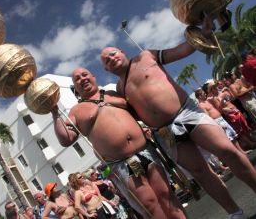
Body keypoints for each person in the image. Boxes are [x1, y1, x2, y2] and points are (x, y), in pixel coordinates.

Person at [100, 45, 256, 219]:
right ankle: (235, 213)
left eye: (113, 54)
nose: (111, 58)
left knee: (228, 152)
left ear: (122, 51)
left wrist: (199, 35)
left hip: (186, 112)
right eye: (107, 60)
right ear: (106, 69)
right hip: (165, 132)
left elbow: (183, 50)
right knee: (200, 172)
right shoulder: (120, 89)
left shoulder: (146, 56)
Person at [51, 67, 187, 219]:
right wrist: (54, 112)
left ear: (93, 76)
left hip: (146, 150)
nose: (82, 79)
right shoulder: (75, 111)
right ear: (75, 87)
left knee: (166, 193)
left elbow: (142, 110)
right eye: (77, 79)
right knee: (149, 204)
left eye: (84, 74)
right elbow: (66, 139)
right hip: (122, 163)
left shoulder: (113, 94)